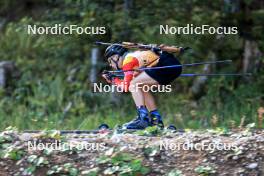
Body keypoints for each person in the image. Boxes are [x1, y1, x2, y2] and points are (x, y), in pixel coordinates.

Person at [102, 44, 182, 129]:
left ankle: (143, 119)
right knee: (140, 86)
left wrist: (114, 80)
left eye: (110, 61)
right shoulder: (133, 58)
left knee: (134, 84)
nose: (110, 65)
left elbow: (126, 87)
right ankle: (156, 120)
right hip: (171, 65)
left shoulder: (128, 61)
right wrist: (115, 79)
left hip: (165, 64)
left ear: (115, 57)